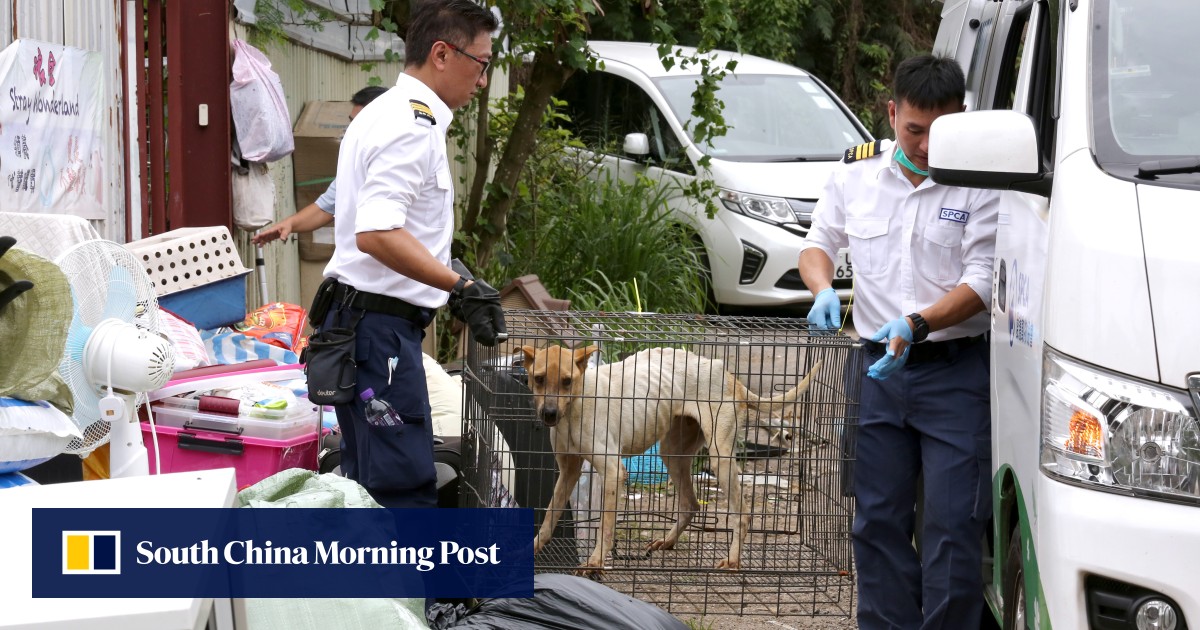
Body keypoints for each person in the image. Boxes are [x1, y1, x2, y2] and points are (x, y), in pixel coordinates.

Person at [797, 54, 1000, 629]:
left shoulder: (983, 184)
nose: (929, 146)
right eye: (915, 130)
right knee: (878, 520)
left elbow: (983, 280)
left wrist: (918, 323)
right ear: (891, 113)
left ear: (962, 117)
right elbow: (819, 243)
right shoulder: (855, 174)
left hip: (954, 370)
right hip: (876, 373)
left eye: (943, 131)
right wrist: (820, 289)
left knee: (955, 521)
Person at [318, 0, 504, 509]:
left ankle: (372, 588)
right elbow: (377, 233)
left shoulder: (392, 112)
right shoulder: (411, 126)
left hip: (371, 328)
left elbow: (404, 228)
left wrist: (451, 275)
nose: (484, 79)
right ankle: (404, 590)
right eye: (482, 63)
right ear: (442, 54)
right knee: (401, 487)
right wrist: (458, 286)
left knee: (372, 481)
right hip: (379, 337)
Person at [251, 86, 389, 246]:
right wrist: (289, 224)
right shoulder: (355, 164)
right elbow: (325, 207)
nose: (351, 130)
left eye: (359, 124)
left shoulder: (399, 163)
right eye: (351, 122)